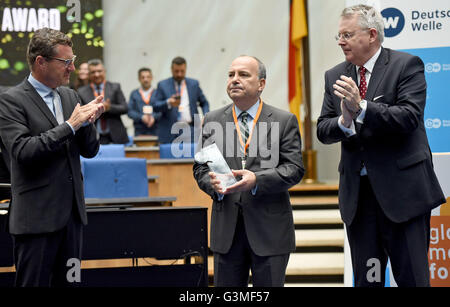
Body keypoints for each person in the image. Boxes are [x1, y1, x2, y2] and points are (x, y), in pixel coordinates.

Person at [317, 4, 445, 287]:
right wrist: (344, 120)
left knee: (412, 279)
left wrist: (361, 106)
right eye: (338, 36)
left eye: (347, 35)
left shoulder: (406, 65)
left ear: (371, 34)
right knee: (368, 281)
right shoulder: (334, 75)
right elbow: (323, 129)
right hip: (360, 202)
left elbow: (409, 118)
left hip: (404, 197)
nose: (340, 42)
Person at [0, 28, 104, 287]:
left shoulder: (70, 95)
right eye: (66, 62)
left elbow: (90, 150)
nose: (72, 68)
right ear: (41, 62)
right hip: (36, 221)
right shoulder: (11, 101)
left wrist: (89, 123)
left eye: (73, 60)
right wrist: (70, 125)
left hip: (72, 219)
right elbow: (24, 152)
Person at [193, 55, 304, 287]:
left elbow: (294, 169)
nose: (235, 79)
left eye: (243, 75)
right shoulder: (212, 120)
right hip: (227, 233)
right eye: (231, 74)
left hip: (270, 231)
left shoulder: (284, 120)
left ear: (261, 83)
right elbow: (200, 166)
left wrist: (257, 180)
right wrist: (211, 184)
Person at [151, 56, 209, 143]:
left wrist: (205, 117)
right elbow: (155, 106)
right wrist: (168, 103)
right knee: (168, 156)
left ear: (186, 69)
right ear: (171, 69)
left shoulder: (194, 84)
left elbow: (204, 103)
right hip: (169, 131)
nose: (179, 74)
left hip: (191, 129)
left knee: (192, 156)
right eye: (176, 71)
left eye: (182, 71)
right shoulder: (162, 85)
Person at [78, 59, 129, 144]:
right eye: (93, 72)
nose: (97, 74)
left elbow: (125, 108)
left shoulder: (115, 87)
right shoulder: (81, 91)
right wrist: (93, 109)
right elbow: (80, 113)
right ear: (89, 74)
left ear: (104, 71)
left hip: (116, 135)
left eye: (99, 71)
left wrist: (109, 108)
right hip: (92, 136)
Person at [128, 68, 161, 136]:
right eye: (143, 77)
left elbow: (162, 109)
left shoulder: (158, 93)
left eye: (148, 77)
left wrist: (154, 117)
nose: (146, 80)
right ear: (139, 79)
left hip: (156, 130)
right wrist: (141, 117)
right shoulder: (134, 94)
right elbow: (129, 111)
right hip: (139, 130)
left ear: (152, 78)